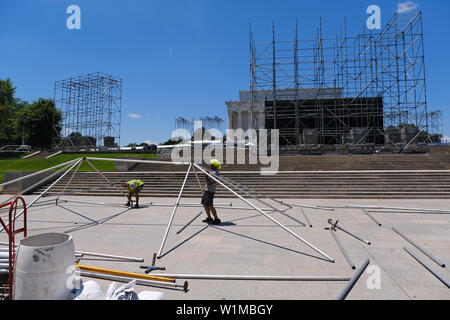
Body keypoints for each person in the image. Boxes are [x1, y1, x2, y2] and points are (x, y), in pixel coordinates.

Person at [201, 159, 222, 225]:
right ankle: (209, 217)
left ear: (214, 166)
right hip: (207, 190)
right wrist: (207, 173)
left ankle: (216, 219)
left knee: (210, 205)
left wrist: (206, 174)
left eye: (211, 164)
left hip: (210, 191)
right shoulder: (213, 172)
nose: (210, 165)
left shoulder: (215, 173)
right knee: (204, 204)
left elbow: (208, 182)